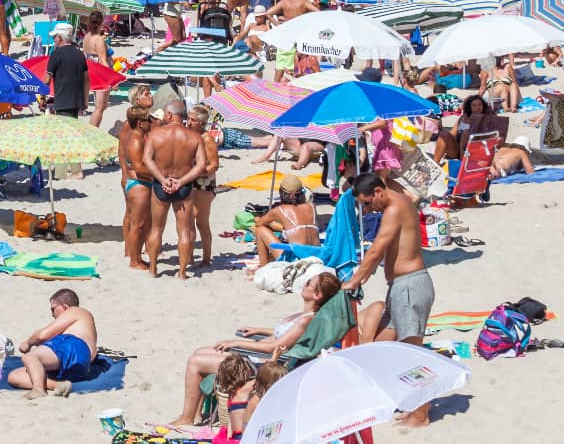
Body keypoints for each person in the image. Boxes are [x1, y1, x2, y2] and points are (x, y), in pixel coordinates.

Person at [169, 267, 341, 424]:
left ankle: (187, 418)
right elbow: (282, 335)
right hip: (255, 358)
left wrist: (236, 343)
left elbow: (274, 347)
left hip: (260, 365)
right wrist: (257, 330)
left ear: (317, 295)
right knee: (200, 351)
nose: (304, 283)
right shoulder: (302, 315)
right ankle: (196, 414)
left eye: (309, 283)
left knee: (196, 362)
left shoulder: (306, 320)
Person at [345, 172, 435, 425]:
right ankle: (411, 403)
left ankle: (421, 414)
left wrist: (354, 280)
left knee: (413, 354)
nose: (366, 209)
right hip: (399, 288)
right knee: (382, 348)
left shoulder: (394, 208)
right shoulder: (398, 203)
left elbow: (377, 249)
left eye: (366, 203)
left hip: (410, 287)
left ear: (378, 192)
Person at [142, 99, 207, 279]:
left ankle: (153, 268)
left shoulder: (156, 134)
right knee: (184, 230)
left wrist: (163, 179)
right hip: (183, 185)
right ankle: (182, 272)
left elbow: (147, 160)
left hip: (161, 184)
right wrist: (181, 181)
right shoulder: (194, 136)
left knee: (156, 228)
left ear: (170, 115)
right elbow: (201, 165)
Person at [7, 288, 98, 399]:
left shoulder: (75, 311)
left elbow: (42, 335)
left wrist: (27, 343)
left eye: (53, 309)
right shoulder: (81, 324)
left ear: (64, 306)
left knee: (30, 357)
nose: (52, 315)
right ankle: (57, 385)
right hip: (81, 365)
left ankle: (38, 390)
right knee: (14, 376)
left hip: (73, 345)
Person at [252, 173, 319, 266]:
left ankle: (263, 267)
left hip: (297, 260)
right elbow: (298, 227)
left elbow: (259, 223)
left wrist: (272, 225)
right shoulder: (312, 207)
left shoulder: (280, 210)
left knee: (260, 230)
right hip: (317, 256)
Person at [121, 106, 153, 269]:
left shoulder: (135, 136)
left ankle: (136, 257)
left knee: (139, 223)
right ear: (141, 123)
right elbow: (139, 167)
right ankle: (134, 261)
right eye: (148, 120)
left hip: (137, 183)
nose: (151, 122)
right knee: (138, 225)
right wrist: (159, 174)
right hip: (139, 185)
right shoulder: (135, 139)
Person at [188, 104, 219, 266]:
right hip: (191, 181)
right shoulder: (190, 135)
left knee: (201, 221)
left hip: (204, 183)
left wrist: (196, 172)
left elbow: (213, 165)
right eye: (188, 119)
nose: (189, 122)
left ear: (201, 123)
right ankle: (190, 256)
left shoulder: (207, 139)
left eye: (193, 120)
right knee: (188, 220)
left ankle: (206, 258)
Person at [47, 23, 90, 117]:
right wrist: (85, 100)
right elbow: (86, 79)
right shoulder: (79, 54)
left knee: (64, 129)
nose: (53, 39)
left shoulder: (56, 54)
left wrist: (42, 98)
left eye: (54, 36)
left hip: (62, 101)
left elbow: (47, 80)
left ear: (60, 37)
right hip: (77, 102)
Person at [82, 10, 111, 128]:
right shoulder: (99, 40)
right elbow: (103, 61)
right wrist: (111, 79)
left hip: (89, 70)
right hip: (99, 74)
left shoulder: (86, 37)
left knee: (99, 107)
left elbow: (85, 55)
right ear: (101, 23)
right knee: (100, 107)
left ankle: (92, 130)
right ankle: (92, 131)